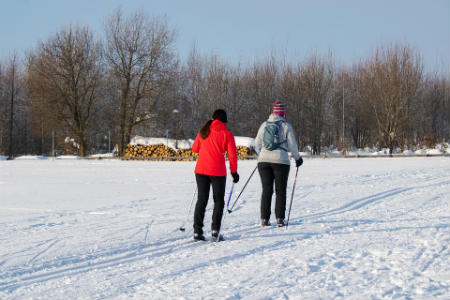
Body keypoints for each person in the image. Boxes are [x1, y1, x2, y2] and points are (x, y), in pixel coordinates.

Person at [192, 109, 239, 241]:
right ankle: (215, 231)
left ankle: (197, 231)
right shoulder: (227, 134)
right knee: (218, 201)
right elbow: (232, 155)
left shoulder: (204, 130)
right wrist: (234, 172)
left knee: (202, 200)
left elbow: (195, 149)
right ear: (224, 121)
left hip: (201, 170)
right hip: (217, 171)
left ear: (213, 118)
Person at [255, 100, 303, 227]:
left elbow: (257, 144)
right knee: (280, 190)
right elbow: (292, 145)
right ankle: (280, 219)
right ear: (283, 113)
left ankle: (264, 219)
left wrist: (262, 154)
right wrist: (297, 158)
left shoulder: (264, 125)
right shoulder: (286, 126)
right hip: (281, 161)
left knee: (266, 190)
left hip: (263, 161)